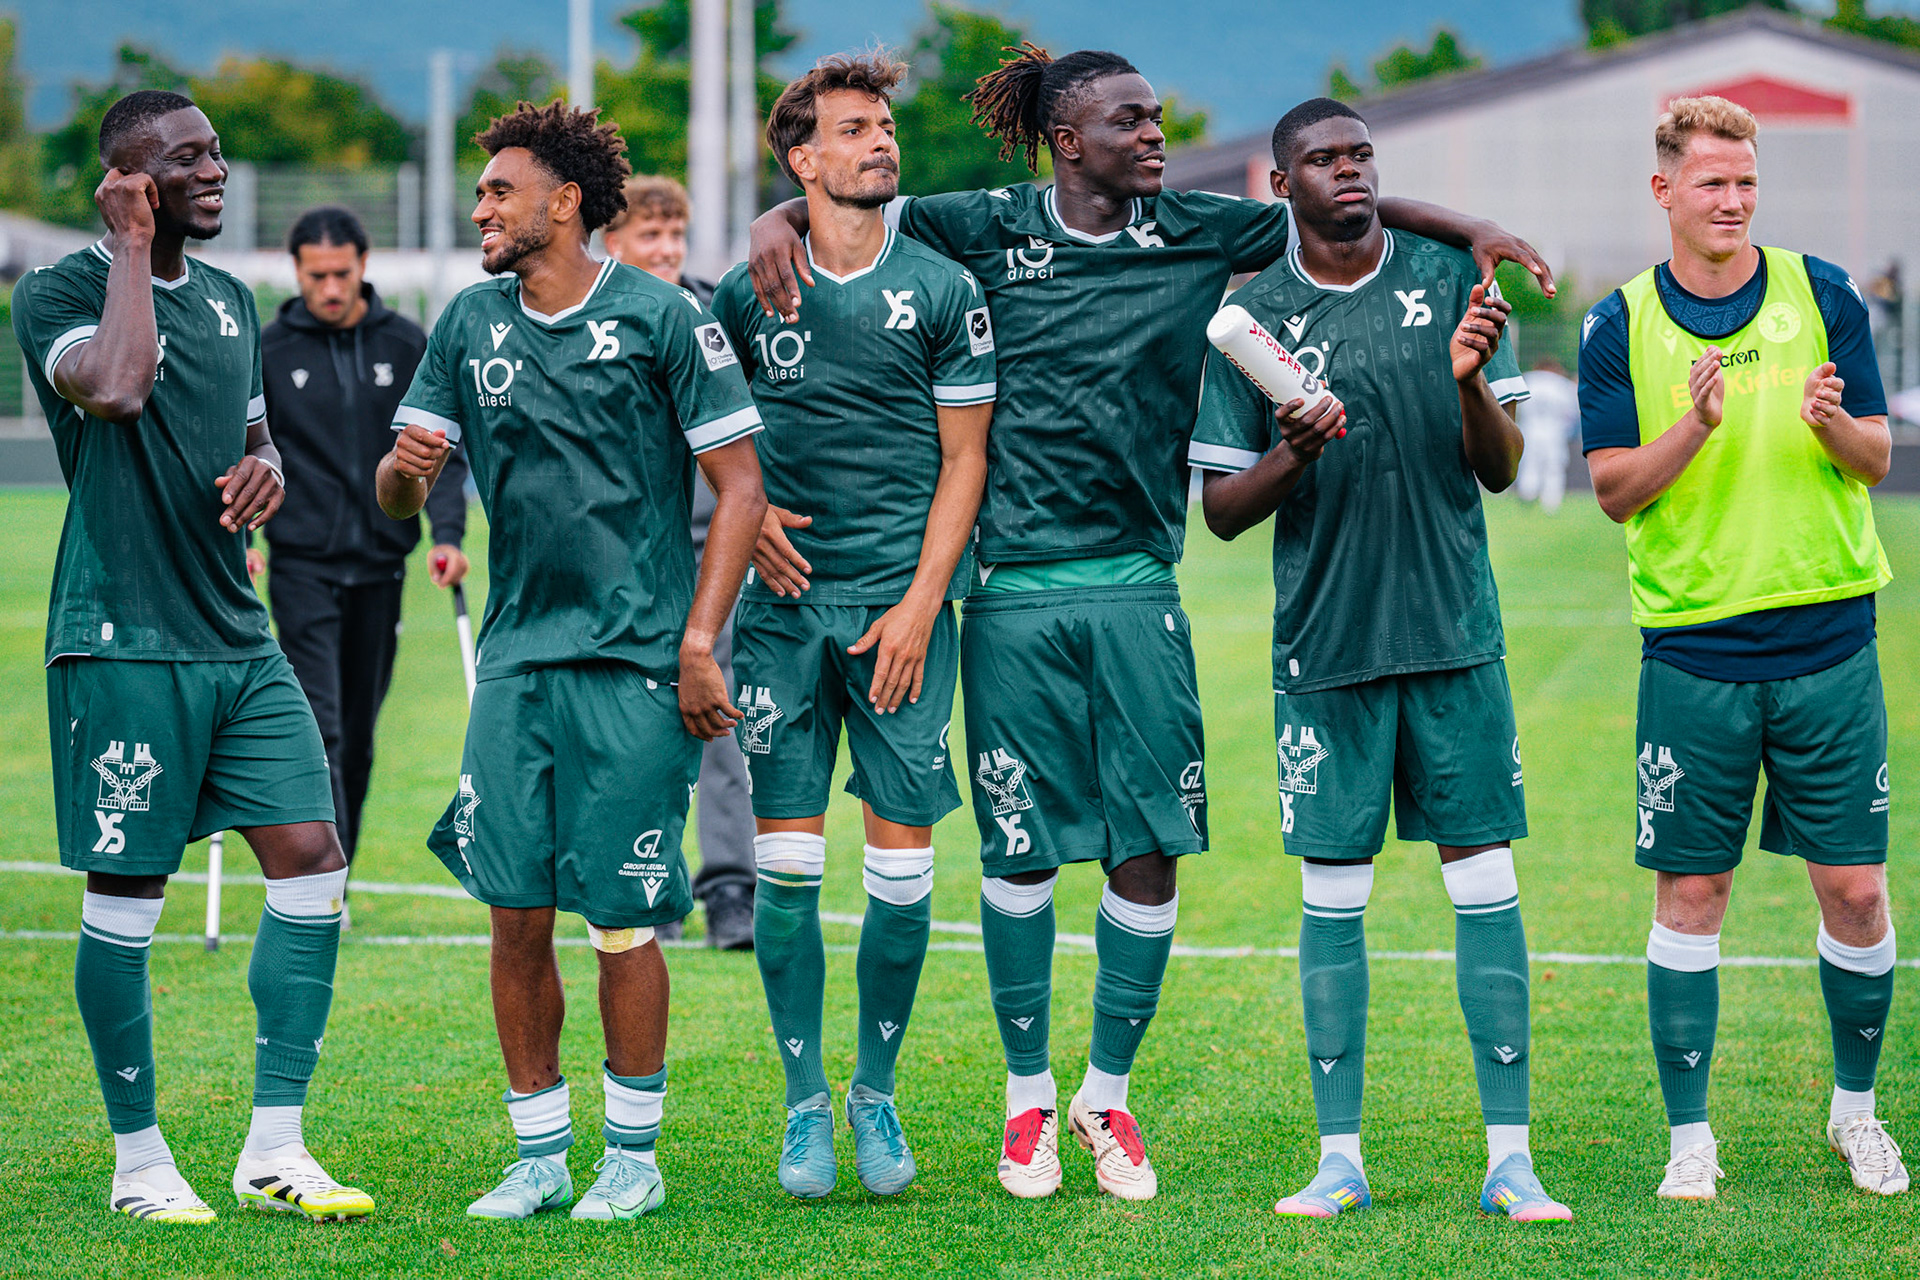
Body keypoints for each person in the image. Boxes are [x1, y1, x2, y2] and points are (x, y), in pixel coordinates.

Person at [747, 44, 1555, 1203]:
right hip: (1014, 587)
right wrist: (778, 216)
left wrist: (1467, 224)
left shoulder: (1199, 229)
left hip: (1140, 579)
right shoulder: (982, 224)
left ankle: (1104, 1094)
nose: (1157, 136)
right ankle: (1026, 1106)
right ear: (1069, 141)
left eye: (1158, 117)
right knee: (1021, 854)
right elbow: (849, 201)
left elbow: (1335, 203)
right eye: (1131, 121)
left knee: (1149, 850)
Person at [377, 100, 766, 1223]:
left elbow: (740, 489)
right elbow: (397, 494)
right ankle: (540, 1154)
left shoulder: (659, 318)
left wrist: (698, 642)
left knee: (621, 913)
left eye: (500, 190)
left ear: (562, 202)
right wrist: (406, 473)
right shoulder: (465, 322)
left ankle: (631, 1158)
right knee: (512, 910)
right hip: (515, 664)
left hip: (635, 662)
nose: (480, 207)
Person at [1192, 97, 1568, 1223]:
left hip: (1454, 635)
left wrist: (1465, 381)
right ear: (1282, 183)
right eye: (1324, 158)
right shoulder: (1247, 315)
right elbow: (1219, 510)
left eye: (1362, 154)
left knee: (1484, 883)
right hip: (1328, 646)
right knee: (1334, 895)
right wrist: (1294, 453)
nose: (1349, 171)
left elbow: (1499, 470)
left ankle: (1512, 1158)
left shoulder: (1454, 278)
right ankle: (1338, 1157)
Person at [11, 89, 369, 1224]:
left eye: (216, 150)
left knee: (313, 857)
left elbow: (253, 437)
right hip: (122, 639)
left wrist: (266, 470)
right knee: (130, 896)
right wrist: (126, 248)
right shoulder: (60, 292)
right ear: (129, 181)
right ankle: (138, 1162)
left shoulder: (228, 297)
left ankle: (274, 1146)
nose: (216, 170)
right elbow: (115, 387)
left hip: (235, 633)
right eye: (187, 158)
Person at [1581, 96, 1906, 1200]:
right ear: (1665, 191)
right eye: (1712, 182)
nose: (1733, 200)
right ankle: (1690, 1138)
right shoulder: (1614, 320)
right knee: (1693, 895)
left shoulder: (1822, 293)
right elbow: (1614, 490)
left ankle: (1855, 1114)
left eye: (1747, 182)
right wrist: (1698, 426)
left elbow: (1874, 455)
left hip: (1828, 637)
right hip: (1693, 651)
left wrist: (1832, 426)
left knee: (1856, 891)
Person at [710, 51, 994, 1199]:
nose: (881, 141)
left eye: (885, 124)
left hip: (900, 615)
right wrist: (751, 500)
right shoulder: (744, 291)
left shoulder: (942, 288)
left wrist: (925, 601)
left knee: (901, 874)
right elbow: (707, 434)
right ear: (803, 157)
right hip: (779, 616)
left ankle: (876, 1092)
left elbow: (966, 459)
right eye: (854, 128)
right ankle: (802, 1106)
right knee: (783, 869)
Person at [258, 205, 471, 883]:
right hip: (300, 565)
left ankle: (336, 868)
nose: (328, 287)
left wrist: (448, 535)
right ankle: (323, 881)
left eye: (340, 273)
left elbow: (437, 451)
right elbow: (240, 452)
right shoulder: (269, 350)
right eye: (315, 275)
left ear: (363, 265)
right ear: (296, 271)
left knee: (357, 735)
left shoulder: (405, 342)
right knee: (321, 727)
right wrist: (239, 539)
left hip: (382, 565)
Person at [604, 175, 755, 949]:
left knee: (721, 714)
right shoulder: (597, 319)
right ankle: (650, 881)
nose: (666, 251)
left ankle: (731, 886)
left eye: (675, 235)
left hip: (713, 547)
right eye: (649, 237)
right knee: (639, 723)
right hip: (626, 555)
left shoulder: (714, 312)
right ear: (612, 242)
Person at [1515, 356, 1576, 513]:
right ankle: (1551, 501)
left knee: (1530, 464)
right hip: (1554, 431)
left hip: (1531, 428)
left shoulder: (1529, 380)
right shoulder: (1562, 385)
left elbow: (1517, 407)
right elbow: (1571, 413)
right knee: (1554, 467)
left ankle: (1527, 494)